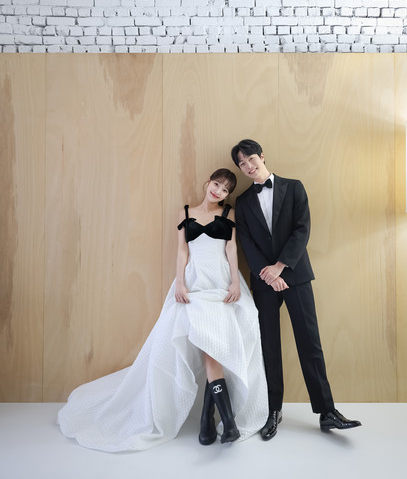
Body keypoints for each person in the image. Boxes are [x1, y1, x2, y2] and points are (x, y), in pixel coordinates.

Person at [58, 168, 268, 452]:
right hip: (194, 283)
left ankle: (212, 421)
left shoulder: (228, 214)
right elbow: (182, 250)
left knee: (215, 346)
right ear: (208, 182)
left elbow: (231, 249)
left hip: (220, 284)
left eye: (225, 190)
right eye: (216, 184)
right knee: (208, 346)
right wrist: (180, 282)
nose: (218, 191)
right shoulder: (186, 212)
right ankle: (219, 422)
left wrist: (234, 281)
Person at [231, 139, 361, 441]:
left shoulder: (294, 187)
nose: (248, 166)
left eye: (251, 159)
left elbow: (302, 230)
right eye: (242, 164)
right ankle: (272, 411)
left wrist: (280, 267)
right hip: (264, 281)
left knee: (309, 342)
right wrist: (268, 274)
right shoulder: (243, 202)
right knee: (268, 346)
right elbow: (246, 243)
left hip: (295, 275)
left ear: (262, 156)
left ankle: (327, 412)